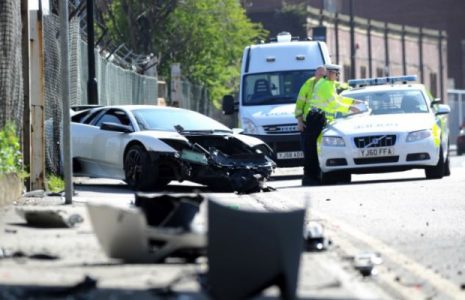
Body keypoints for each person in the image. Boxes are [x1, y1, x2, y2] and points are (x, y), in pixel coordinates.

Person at [297, 64, 360, 186]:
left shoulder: (328, 84)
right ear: (331, 73)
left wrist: (353, 101)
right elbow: (334, 103)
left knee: (317, 149)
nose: (337, 77)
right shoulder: (325, 85)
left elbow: (337, 98)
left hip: (317, 118)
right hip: (315, 119)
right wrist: (350, 108)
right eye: (336, 74)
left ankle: (316, 177)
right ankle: (311, 178)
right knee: (312, 150)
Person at [295, 65, 326, 184]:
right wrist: (299, 120)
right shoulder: (308, 85)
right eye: (318, 75)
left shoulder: (328, 85)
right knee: (309, 151)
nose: (320, 77)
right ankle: (310, 178)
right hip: (310, 123)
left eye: (323, 75)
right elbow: (299, 104)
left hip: (324, 123)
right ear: (315, 74)